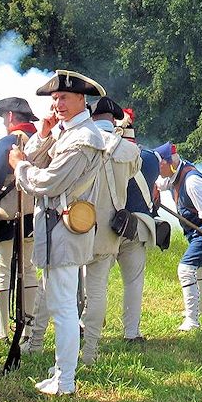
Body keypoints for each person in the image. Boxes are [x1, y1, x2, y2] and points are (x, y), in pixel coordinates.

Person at [8, 70, 105, 396]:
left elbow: (47, 182)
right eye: (54, 99)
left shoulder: (84, 139)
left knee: (63, 308)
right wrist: (44, 133)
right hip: (54, 227)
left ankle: (65, 380)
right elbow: (38, 158)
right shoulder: (66, 133)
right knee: (59, 302)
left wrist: (20, 166)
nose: (58, 104)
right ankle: (62, 371)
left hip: (64, 227)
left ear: (82, 99)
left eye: (64, 97)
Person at [79, 96, 141, 364]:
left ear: (92, 117)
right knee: (97, 291)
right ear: (114, 120)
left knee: (65, 290)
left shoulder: (81, 141)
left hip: (76, 223)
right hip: (108, 229)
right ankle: (90, 352)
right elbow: (130, 175)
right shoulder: (129, 151)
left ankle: (43, 344)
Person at [0, 96, 39, 342]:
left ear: (9, 117)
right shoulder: (42, 140)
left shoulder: (8, 141)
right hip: (33, 214)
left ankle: (3, 331)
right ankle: (28, 328)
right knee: (28, 269)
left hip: (8, 214)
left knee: (1, 270)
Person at [154, 142, 202, 331]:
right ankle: (199, 310)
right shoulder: (174, 174)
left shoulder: (192, 181)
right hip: (195, 232)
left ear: (168, 163)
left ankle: (192, 321)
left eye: (160, 165)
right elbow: (159, 184)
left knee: (185, 269)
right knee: (198, 269)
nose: (158, 170)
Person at [117, 108, 162, 343]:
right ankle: (131, 333)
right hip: (138, 226)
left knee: (94, 281)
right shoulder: (152, 158)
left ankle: (84, 323)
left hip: (108, 225)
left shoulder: (110, 155)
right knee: (133, 283)